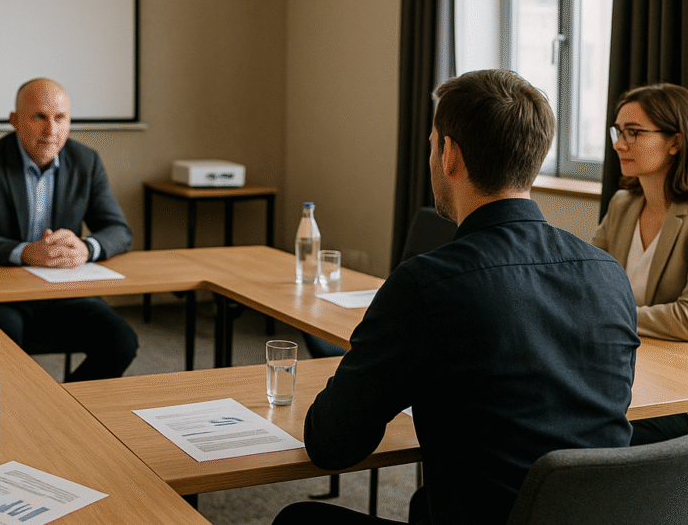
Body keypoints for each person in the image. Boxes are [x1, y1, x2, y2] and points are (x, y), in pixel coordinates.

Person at [272, 70, 640, 525]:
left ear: (449, 155)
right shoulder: (608, 275)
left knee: (298, 521)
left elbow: (330, 444)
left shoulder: (427, 285)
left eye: (432, 143)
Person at [0, 78, 137, 382]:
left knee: (121, 341)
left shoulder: (86, 162)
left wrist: (87, 248)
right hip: (2, 294)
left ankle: (66, 409)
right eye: (39, 117)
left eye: (60, 118)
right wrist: (24, 252)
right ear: (15, 121)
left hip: (63, 292)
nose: (51, 131)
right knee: (5, 349)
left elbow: (118, 230)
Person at [592, 83, 688, 445]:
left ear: (675, 142)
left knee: (591, 431)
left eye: (634, 132)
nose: (618, 143)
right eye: (618, 131)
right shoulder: (622, 205)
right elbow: (584, 287)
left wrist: (607, 316)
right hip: (636, 372)